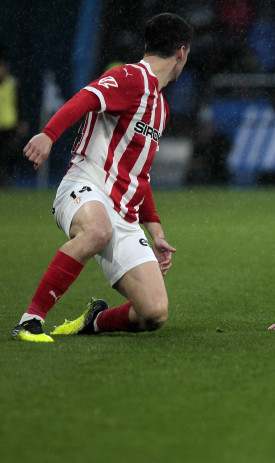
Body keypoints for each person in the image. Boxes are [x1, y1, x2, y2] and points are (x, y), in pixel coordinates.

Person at [11, 13, 193, 342]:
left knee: (153, 312)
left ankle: (93, 322)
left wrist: (156, 229)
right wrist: (49, 135)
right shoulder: (129, 77)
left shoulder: (161, 109)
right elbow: (86, 98)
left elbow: (140, 172)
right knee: (97, 229)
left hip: (124, 215)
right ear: (182, 52)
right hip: (84, 187)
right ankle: (30, 320)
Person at [0, 52, 26, 187]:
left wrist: (22, 121)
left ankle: (6, 179)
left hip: (9, 124)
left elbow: (19, 103)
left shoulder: (12, 83)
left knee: (9, 153)